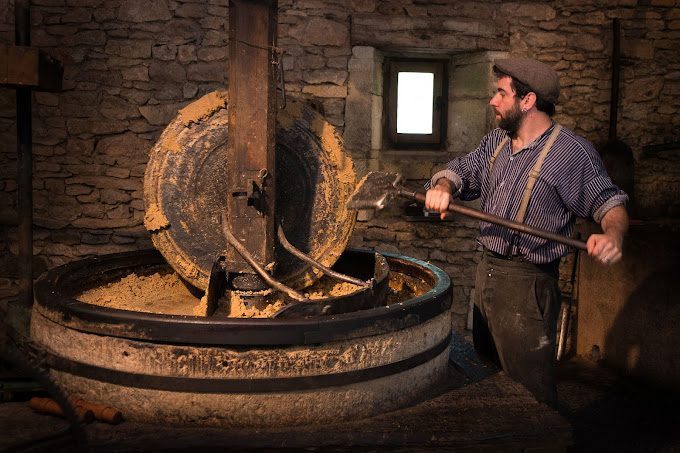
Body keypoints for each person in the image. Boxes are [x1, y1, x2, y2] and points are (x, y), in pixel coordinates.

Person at [424, 58, 629, 405]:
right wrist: (443, 186)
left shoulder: (570, 153)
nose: (493, 101)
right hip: (486, 273)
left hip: (528, 284)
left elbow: (610, 205)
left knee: (529, 393)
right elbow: (458, 171)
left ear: (528, 100)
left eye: (501, 94)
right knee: (489, 381)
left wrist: (613, 236)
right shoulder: (497, 143)